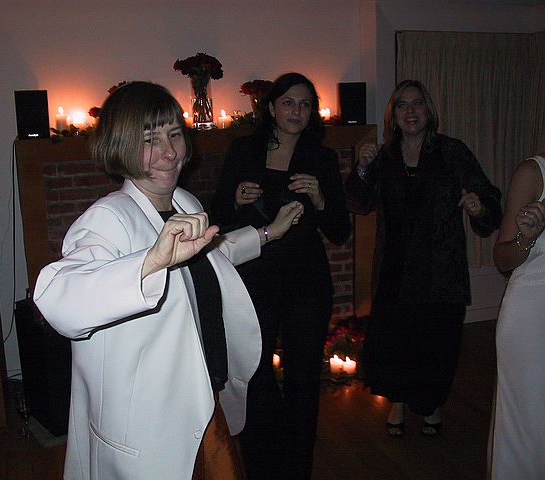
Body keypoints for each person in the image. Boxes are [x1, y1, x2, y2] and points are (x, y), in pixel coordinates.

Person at [33, 81, 304, 480]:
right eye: (150, 140)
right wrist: (150, 261)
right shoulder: (108, 218)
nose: (170, 152)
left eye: (174, 135)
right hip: (149, 427)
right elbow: (59, 298)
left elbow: (209, 261)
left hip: (202, 401)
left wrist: (268, 233)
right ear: (121, 147)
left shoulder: (183, 202)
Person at [211, 72, 351, 479]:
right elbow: (216, 216)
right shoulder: (243, 150)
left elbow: (339, 231)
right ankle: (265, 460)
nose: (296, 111)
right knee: (255, 372)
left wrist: (321, 199)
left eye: (305, 104)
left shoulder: (321, 158)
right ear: (271, 107)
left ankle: (297, 466)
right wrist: (235, 199)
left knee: (303, 378)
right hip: (253, 281)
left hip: (306, 283)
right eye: (288, 102)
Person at [345, 79, 502, 437]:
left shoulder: (451, 151)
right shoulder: (384, 156)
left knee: (436, 343)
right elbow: (358, 202)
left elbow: (488, 197)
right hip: (395, 267)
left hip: (439, 269)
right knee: (396, 341)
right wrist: (362, 167)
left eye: (417, 104)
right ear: (393, 115)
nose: (411, 111)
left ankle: (430, 403)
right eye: (402, 105)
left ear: (428, 110)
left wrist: (479, 208)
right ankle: (398, 401)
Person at [490, 154, 545, 479]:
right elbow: (502, 258)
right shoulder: (534, 172)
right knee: (527, 424)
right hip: (533, 314)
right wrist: (527, 238)